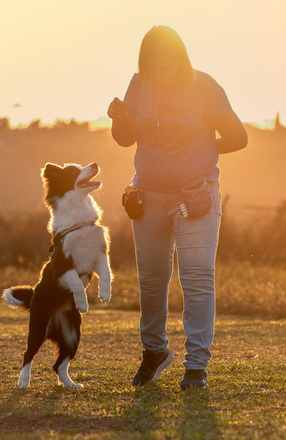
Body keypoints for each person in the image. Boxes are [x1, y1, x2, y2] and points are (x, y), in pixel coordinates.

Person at [107, 26, 247, 390]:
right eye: (151, 64)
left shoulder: (204, 86)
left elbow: (239, 138)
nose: (158, 72)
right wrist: (118, 119)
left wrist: (201, 149)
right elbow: (125, 139)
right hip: (148, 195)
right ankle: (154, 351)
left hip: (195, 195)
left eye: (164, 63)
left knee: (197, 278)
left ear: (179, 59)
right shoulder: (138, 84)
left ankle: (196, 366)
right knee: (151, 281)